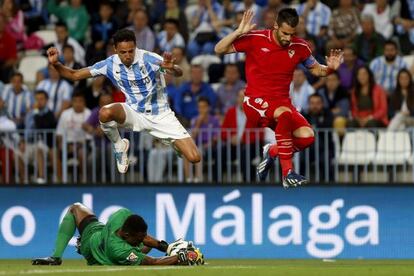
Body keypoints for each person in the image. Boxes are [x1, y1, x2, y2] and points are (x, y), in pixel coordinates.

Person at [215, 8, 343, 188]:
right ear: (275, 25)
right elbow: (219, 49)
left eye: (292, 34)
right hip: (254, 101)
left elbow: (316, 69)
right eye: (284, 33)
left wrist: (330, 68)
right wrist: (238, 32)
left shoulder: (300, 46)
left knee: (307, 136)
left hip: (282, 104)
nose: (288, 38)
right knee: (284, 114)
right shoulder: (256, 38)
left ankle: (273, 151)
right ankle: (287, 173)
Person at [46, 29, 201, 174]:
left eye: (131, 51)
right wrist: (56, 64)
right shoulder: (110, 64)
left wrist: (172, 68)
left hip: (161, 115)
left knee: (195, 158)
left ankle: (173, 143)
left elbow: (179, 73)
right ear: (115, 49)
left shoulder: (149, 58)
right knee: (105, 112)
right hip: (134, 112)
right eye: (123, 52)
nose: (127, 55)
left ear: (136, 47)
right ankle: (119, 146)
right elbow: (74, 75)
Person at [32, 203, 204, 265]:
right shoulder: (119, 250)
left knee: (76, 208)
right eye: (138, 238)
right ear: (127, 236)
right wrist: (181, 257)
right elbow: (153, 263)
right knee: (145, 251)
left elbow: (143, 237)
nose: (142, 239)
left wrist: (165, 247)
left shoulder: (122, 215)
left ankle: (56, 257)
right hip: (91, 247)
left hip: (98, 231)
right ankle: (56, 257)